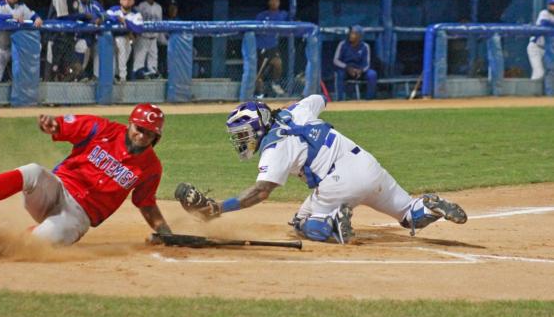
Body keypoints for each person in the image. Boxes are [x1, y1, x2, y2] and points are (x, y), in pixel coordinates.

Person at [175, 95, 468, 244]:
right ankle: (427, 207)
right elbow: (320, 98)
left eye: (244, 133)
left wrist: (217, 209)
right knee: (408, 214)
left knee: (303, 224)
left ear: (259, 127)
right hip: (368, 165)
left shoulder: (275, 147)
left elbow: (260, 193)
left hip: (338, 182)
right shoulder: (298, 109)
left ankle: (332, 225)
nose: (243, 139)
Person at [0, 103, 172, 245]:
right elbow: (63, 126)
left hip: (79, 216)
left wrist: (165, 232)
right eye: (139, 129)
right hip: (56, 189)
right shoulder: (101, 129)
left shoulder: (151, 168)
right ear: (130, 124)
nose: (142, 136)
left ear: (156, 137)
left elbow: (146, 204)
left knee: (39, 242)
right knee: (32, 171)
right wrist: (53, 125)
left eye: (149, 134)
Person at [0, 0, 43, 85]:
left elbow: (33, 15)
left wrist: (38, 18)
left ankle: (19, 98)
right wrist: (11, 16)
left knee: (19, 75)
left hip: (14, 47)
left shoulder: (21, 6)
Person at [45, 0, 87, 82]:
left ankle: (62, 91)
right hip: (55, 38)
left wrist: (92, 18)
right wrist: (84, 17)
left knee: (76, 70)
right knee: (52, 71)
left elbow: (81, 14)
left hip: (68, 40)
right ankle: (47, 97)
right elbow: (63, 17)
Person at [255, 0, 289, 98]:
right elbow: (256, 29)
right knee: (259, 75)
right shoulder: (262, 15)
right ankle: (259, 94)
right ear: (269, 2)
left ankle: (275, 83)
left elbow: (291, 20)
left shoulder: (283, 14)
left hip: (273, 46)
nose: (274, 2)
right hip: (261, 47)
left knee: (278, 63)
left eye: (277, 0)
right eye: (272, 0)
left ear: (279, 3)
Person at [106, 0, 143, 82]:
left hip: (127, 40)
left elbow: (138, 28)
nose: (127, 1)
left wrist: (125, 22)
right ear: (120, 1)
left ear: (133, 2)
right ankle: (122, 76)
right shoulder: (114, 9)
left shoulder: (136, 14)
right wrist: (118, 18)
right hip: (111, 40)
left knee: (124, 47)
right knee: (120, 41)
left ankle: (118, 75)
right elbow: (106, 16)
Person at [333, 25, 377, 100]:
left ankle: (370, 99)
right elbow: (336, 60)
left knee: (372, 74)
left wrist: (361, 70)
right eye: (350, 33)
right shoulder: (342, 44)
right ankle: (340, 100)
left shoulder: (365, 46)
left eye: (353, 33)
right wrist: (347, 68)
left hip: (360, 71)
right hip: (346, 70)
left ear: (359, 36)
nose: (350, 35)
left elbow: (367, 64)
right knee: (339, 74)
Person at [75, 0, 104, 81]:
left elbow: (104, 15)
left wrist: (101, 19)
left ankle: (97, 77)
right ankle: (78, 76)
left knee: (101, 46)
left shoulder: (95, 4)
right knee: (83, 46)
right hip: (78, 37)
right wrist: (91, 20)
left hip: (94, 37)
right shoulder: (75, 5)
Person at [134, 0, 162, 79]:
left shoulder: (159, 7)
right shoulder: (141, 6)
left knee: (153, 64)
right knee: (138, 62)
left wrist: (160, 38)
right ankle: (136, 78)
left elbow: (160, 25)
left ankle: (152, 78)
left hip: (153, 38)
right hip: (142, 37)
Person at [527, 0, 554, 80]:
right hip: (536, 47)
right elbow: (544, 24)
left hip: (549, 50)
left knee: (550, 74)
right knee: (539, 73)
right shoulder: (544, 13)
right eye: (552, 4)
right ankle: (531, 92)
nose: (552, 6)